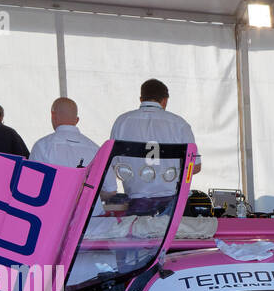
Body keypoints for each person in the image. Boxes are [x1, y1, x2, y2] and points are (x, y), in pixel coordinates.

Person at [109, 79, 200, 213]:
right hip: (174, 205)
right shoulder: (179, 124)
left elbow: (113, 164)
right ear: (165, 100)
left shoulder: (122, 122)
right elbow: (195, 166)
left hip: (136, 202)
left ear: (141, 99)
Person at [29, 97, 100, 169]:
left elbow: (32, 178)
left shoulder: (42, 146)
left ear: (53, 116)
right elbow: (109, 179)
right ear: (77, 120)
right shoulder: (96, 150)